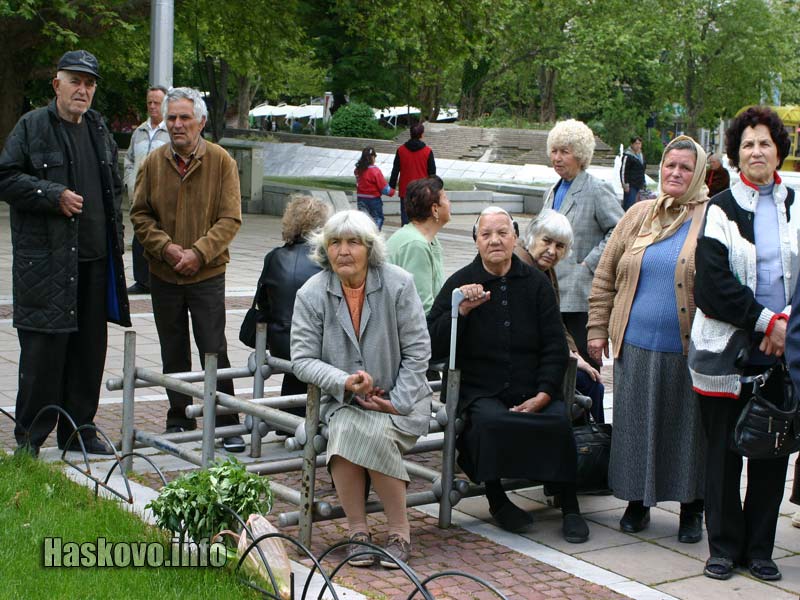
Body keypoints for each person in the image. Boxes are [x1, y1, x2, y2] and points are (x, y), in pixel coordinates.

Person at [428, 207, 590, 543]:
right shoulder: (459, 284)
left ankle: (570, 504)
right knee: (488, 423)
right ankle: (496, 498)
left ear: (515, 237)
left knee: (558, 420)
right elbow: (431, 341)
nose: (495, 240)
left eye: (502, 233)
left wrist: (545, 393)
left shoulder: (536, 284)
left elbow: (554, 344)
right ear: (476, 241)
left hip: (532, 386)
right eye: (486, 234)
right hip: (481, 389)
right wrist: (460, 314)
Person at [0, 50, 130, 456]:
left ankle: (79, 431)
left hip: (94, 264)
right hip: (49, 265)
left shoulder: (96, 127)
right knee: (44, 355)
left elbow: (115, 187)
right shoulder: (33, 126)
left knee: (90, 353)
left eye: (89, 83)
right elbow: (5, 176)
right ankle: (30, 440)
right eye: (75, 81)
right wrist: (50, 194)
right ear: (57, 85)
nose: (83, 89)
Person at [689, 106, 798, 581]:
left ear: (779, 150)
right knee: (723, 455)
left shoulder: (796, 203)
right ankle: (723, 547)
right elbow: (711, 284)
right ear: (736, 154)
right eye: (748, 144)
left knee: (773, 452)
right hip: (726, 353)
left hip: (783, 351)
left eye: (765, 143)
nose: (757, 151)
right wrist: (764, 321)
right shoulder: (719, 208)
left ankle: (760, 549)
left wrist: (785, 325)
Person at [291, 210, 431, 568]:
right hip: (343, 402)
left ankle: (398, 533)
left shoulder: (398, 283)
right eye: (335, 242)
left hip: (401, 398)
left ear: (370, 248)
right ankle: (359, 533)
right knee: (347, 427)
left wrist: (396, 401)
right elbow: (302, 359)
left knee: (378, 431)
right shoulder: (311, 293)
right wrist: (344, 381)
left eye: (353, 242)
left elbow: (419, 351)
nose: (343, 251)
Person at [587, 136, 709, 544]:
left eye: (685, 168)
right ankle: (637, 502)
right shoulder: (639, 214)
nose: (675, 173)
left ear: (699, 174)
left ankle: (692, 507)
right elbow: (605, 275)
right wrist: (597, 328)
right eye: (670, 165)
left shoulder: (711, 219)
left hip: (688, 350)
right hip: (634, 345)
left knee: (687, 430)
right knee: (635, 425)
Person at [130, 87, 244, 452]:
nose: (177, 125)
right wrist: (165, 248)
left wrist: (199, 252)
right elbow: (140, 214)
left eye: (184, 118)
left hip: (207, 274)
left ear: (201, 122)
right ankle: (179, 417)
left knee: (214, 348)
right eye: (172, 118)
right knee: (173, 350)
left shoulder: (221, 161)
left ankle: (227, 422)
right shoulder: (152, 162)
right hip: (164, 274)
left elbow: (230, 219)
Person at [544, 119, 623, 370]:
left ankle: (591, 410)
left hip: (579, 296)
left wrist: (589, 263)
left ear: (580, 154)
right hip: (550, 291)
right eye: (554, 151)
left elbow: (619, 231)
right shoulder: (551, 190)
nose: (557, 157)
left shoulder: (596, 189)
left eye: (564, 152)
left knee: (584, 369)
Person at [515, 209, 604, 423]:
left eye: (560, 246)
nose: (552, 251)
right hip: (527, 364)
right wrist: (569, 356)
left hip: (543, 357)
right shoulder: (523, 269)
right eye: (547, 241)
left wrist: (575, 354)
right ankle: (593, 447)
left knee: (589, 379)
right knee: (591, 385)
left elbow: (555, 321)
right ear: (532, 236)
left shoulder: (543, 268)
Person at [254, 194, 329, 400]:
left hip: (279, 342)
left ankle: (287, 418)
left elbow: (263, 302)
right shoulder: (327, 260)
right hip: (315, 344)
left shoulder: (274, 256)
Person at [124, 85, 170, 295]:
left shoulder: (170, 131)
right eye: (149, 102)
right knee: (139, 236)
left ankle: (159, 278)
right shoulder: (139, 131)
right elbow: (129, 160)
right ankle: (142, 280)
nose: (152, 106)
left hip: (163, 195)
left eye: (157, 103)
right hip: (140, 194)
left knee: (160, 236)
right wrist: (130, 182)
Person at [386, 176, 449, 314]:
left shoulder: (428, 239)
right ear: (435, 209)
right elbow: (422, 308)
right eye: (445, 198)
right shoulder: (416, 245)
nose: (449, 203)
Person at [389, 123, 436, 225]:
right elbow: (432, 173)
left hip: (405, 191)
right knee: (421, 220)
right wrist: (434, 191)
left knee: (406, 221)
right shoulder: (427, 151)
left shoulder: (401, 150)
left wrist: (391, 186)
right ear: (422, 134)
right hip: (422, 191)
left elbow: (395, 170)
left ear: (410, 134)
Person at [354, 147, 394, 230]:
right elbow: (384, 188)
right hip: (374, 200)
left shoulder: (358, 170)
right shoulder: (375, 171)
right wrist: (392, 191)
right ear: (372, 157)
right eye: (374, 157)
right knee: (378, 219)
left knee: (363, 220)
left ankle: (364, 237)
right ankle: (373, 238)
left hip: (361, 198)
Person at [620, 136, 647, 211]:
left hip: (639, 183)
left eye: (639, 143)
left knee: (638, 205)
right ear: (632, 144)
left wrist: (644, 181)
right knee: (629, 205)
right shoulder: (628, 155)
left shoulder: (641, 155)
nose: (638, 145)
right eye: (636, 143)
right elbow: (623, 171)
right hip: (631, 185)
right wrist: (625, 184)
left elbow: (642, 170)